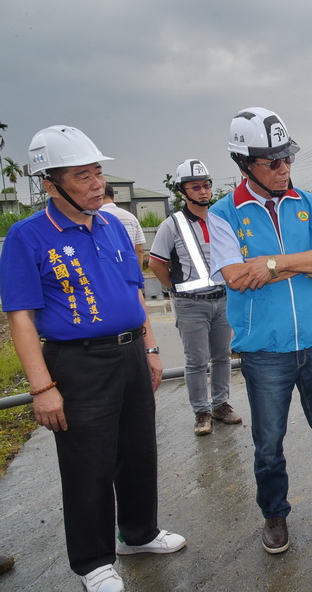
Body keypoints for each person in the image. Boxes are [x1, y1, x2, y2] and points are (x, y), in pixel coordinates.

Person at [0, 126, 185, 592]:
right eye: (82, 176)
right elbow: (20, 317)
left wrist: (150, 349)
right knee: (88, 465)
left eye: (98, 172)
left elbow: (134, 292)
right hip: (77, 363)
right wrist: (42, 387)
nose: (97, 183)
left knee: (139, 451)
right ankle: (93, 562)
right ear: (51, 184)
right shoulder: (28, 237)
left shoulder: (111, 225)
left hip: (130, 354)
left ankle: (138, 534)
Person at [208, 107, 312, 554]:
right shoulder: (224, 214)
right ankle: (275, 514)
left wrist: (274, 264)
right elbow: (236, 276)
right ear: (245, 164)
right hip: (265, 352)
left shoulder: (310, 204)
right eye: (274, 161)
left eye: (288, 158)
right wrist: (307, 265)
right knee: (268, 442)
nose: (285, 168)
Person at [149, 159, 241, 436]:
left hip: (222, 299)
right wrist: (174, 288)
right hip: (190, 304)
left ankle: (220, 405)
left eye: (206, 185)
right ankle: (201, 412)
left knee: (222, 356)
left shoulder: (219, 219)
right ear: (183, 191)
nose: (203, 191)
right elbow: (156, 263)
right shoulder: (172, 225)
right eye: (196, 187)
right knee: (197, 360)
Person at [100, 183, 146, 267]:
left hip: (106, 267)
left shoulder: (94, 217)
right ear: (113, 197)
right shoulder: (131, 217)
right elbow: (139, 250)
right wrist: (137, 271)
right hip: (129, 266)